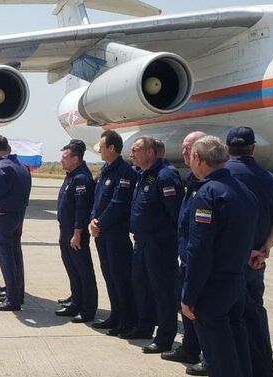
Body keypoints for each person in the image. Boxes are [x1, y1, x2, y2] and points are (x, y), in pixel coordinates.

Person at [181, 136, 258, 377]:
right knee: (237, 347)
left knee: (219, 356)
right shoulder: (243, 190)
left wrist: (189, 294)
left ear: (197, 158)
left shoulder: (207, 194)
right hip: (237, 282)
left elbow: (199, 250)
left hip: (213, 287)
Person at [224, 127, 273, 377]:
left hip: (227, 264)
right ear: (253, 148)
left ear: (227, 148)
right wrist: (263, 249)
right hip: (255, 263)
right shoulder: (270, 178)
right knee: (254, 318)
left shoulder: (222, 175)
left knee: (226, 322)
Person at [128, 136, 184, 354]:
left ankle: (165, 337)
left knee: (163, 292)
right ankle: (144, 327)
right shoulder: (145, 175)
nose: (132, 154)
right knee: (141, 286)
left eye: (136, 150)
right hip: (142, 242)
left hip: (160, 245)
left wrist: (165, 239)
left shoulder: (166, 175)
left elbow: (175, 213)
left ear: (150, 152)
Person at [160, 131, 208, 376]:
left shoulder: (208, 183)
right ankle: (189, 348)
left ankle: (208, 355)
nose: (184, 152)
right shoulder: (190, 178)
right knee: (184, 302)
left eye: (189, 148)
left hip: (202, 257)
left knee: (202, 308)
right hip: (187, 254)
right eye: (183, 148)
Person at [89, 130, 137, 336]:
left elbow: (119, 204)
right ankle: (115, 316)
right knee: (109, 275)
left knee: (120, 278)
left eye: (101, 146)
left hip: (116, 234)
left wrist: (100, 222)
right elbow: (97, 200)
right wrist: (93, 219)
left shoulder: (124, 172)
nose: (99, 150)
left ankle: (127, 320)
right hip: (101, 233)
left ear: (111, 148)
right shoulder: (105, 170)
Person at [55, 140, 98, 323]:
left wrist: (78, 232)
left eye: (65, 157)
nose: (61, 161)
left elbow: (82, 208)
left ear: (75, 159)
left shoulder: (81, 178)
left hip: (74, 232)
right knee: (72, 269)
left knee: (83, 271)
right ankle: (76, 302)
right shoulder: (71, 175)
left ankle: (88, 309)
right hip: (65, 230)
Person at [0, 135, 32, 311]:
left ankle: (12, 300)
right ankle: (17, 293)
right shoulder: (22, 167)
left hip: (4, 216)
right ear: (9, 148)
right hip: (19, 215)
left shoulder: (1, 167)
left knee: (6, 258)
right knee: (16, 255)